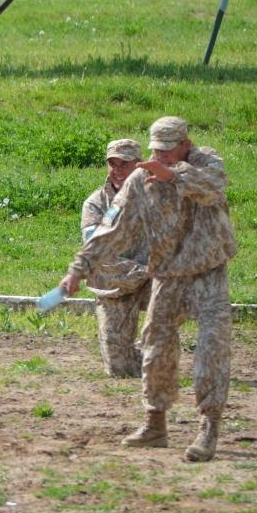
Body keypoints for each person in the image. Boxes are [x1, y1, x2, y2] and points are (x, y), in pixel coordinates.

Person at [61, 117, 238, 462]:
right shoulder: (140, 180)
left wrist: (174, 176)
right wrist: (78, 269)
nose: (161, 157)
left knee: (212, 346)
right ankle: (155, 423)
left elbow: (213, 186)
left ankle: (208, 427)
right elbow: (111, 228)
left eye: (168, 151)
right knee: (156, 346)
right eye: (157, 150)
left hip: (208, 271)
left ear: (186, 144)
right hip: (168, 274)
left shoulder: (206, 162)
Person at [81, 139, 149, 378]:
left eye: (124, 164)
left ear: (140, 164)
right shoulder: (96, 204)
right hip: (115, 285)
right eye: (112, 164)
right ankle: (140, 358)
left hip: (157, 281)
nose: (117, 170)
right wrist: (143, 271)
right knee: (119, 370)